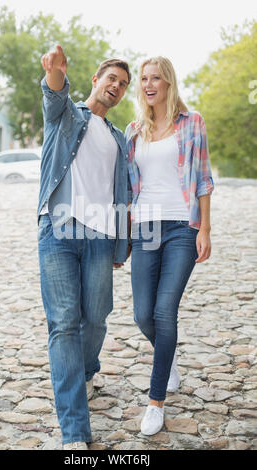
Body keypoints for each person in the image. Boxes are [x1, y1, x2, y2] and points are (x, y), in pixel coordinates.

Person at [37, 45, 131, 449]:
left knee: (95, 317)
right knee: (63, 324)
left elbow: (123, 192)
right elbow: (54, 91)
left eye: (124, 85)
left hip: (100, 235)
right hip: (57, 229)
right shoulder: (67, 115)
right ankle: (75, 433)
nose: (117, 87)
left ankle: (86, 370)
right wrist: (56, 71)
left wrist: (121, 243)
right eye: (112, 78)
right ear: (95, 80)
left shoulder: (117, 138)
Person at [125, 57, 214, 436]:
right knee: (143, 315)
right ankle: (169, 355)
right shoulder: (133, 130)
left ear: (168, 83)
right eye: (143, 79)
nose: (148, 84)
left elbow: (204, 179)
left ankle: (155, 401)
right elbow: (127, 188)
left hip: (181, 225)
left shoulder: (191, 123)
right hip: (144, 227)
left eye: (155, 78)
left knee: (164, 311)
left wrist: (205, 227)